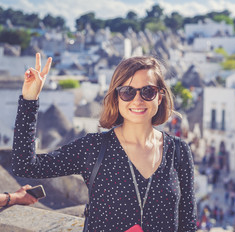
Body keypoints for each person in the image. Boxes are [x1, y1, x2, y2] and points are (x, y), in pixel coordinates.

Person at [12, 53, 197, 231]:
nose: (138, 100)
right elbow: (25, 166)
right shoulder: (94, 148)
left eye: (148, 91)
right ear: (116, 97)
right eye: (127, 92)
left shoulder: (178, 151)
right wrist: (29, 99)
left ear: (160, 96)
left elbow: (188, 224)